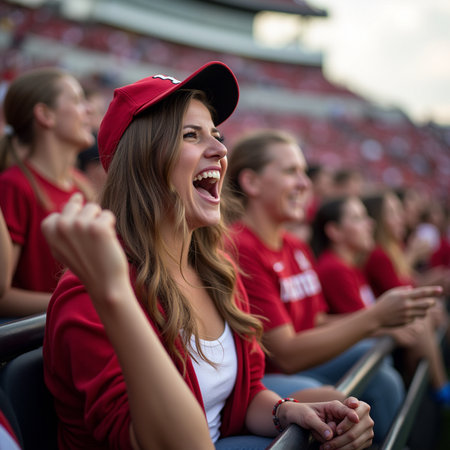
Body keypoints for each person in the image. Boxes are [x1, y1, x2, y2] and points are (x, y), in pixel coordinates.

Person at [42, 62, 374, 450]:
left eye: (216, 136)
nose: (220, 150)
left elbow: (244, 396)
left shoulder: (217, 268)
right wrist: (114, 295)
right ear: (143, 162)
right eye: (191, 136)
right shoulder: (91, 293)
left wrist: (287, 411)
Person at [225, 129, 440, 442]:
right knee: (369, 386)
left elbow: (315, 321)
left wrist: (383, 324)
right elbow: (285, 354)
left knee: (378, 371)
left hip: (294, 370)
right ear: (251, 182)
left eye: (303, 171)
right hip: (263, 382)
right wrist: (374, 319)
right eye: (291, 172)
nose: (305, 183)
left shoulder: (295, 247)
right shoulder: (240, 246)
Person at [0, 67, 95, 318]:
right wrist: (80, 300)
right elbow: (3, 296)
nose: (89, 110)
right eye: (76, 100)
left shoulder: (81, 184)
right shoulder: (13, 187)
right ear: (45, 115)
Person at [362, 190, 450, 404]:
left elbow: (409, 283)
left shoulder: (394, 247)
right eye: (393, 213)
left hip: (389, 328)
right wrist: (413, 255)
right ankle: (439, 391)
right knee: (421, 317)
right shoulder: (379, 253)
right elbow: (401, 289)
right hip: (386, 332)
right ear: (378, 220)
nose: (401, 217)